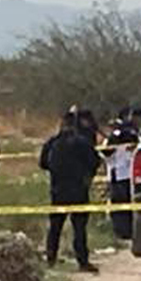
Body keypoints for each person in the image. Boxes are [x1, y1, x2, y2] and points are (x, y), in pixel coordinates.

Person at [39, 109, 101, 271]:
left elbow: (43, 163)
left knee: (55, 227)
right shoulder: (82, 142)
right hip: (78, 190)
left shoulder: (52, 142)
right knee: (79, 228)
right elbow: (95, 161)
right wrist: (87, 176)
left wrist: (56, 170)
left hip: (58, 190)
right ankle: (82, 261)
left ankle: (51, 258)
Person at [105, 107, 141, 240]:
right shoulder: (133, 137)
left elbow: (106, 154)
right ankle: (125, 231)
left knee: (121, 206)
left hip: (121, 175)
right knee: (123, 206)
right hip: (124, 175)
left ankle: (124, 231)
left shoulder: (117, 138)